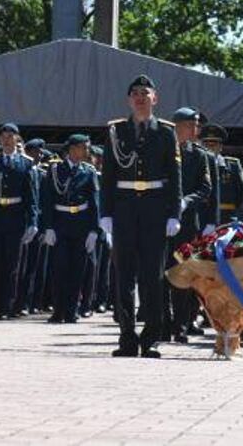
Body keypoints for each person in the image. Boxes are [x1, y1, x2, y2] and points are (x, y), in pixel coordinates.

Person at [100, 75, 183, 357]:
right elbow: (108, 175)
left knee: (153, 276)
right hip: (124, 208)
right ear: (128, 99)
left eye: (144, 93)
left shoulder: (166, 132)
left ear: (154, 98)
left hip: (154, 208)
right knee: (123, 276)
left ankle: (151, 338)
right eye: (134, 93)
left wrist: (174, 213)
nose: (139, 97)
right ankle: (126, 337)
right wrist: (105, 213)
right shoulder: (116, 131)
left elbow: (174, 176)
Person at [0, 122, 41, 320]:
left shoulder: (26, 163)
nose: (6, 138)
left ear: (17, 139)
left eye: (10, 135)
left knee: (13, 265)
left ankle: (8, 306)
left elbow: (31, 196)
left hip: (15, 217)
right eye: (3, 135)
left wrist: (32, 221)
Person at [44, 132, 100, 325]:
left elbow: (94, 203)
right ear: (73, 149)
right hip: (60, 223)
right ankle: (58, 310)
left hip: (81, 224)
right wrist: (48, 227)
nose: (87, 151)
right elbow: (48, 200)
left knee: (78, 270)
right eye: (84, 147)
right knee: (59, 269)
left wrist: (94, 230)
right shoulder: (55, 170)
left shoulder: (89, 171)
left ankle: (71, 311)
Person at [170, 107, 212, 340]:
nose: (195, 129)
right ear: (177, 125)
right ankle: (163, 322)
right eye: (191, 125)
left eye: (196, 125)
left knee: (185, 273)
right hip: (163, 220)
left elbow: (205, 188)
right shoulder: (163, 149)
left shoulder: (199, 154)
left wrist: (186, 201)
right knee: (161, 272)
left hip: (187, 223)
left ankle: (182, 324)